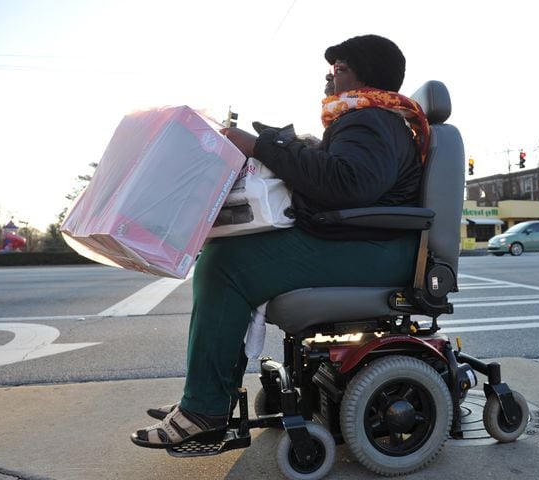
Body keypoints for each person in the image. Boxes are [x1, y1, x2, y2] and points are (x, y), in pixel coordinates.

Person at [131, 34, 429, 448]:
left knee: (226, 266)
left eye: (339, 69)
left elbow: (348, 184)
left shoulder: (370, 119)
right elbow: (340, 176)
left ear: (368, 77)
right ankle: (208, 398)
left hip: (377, 249)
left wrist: (261, 147)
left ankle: (205, 409)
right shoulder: (372, 119)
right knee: (226, 255)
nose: (329, 78)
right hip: (367, 241)